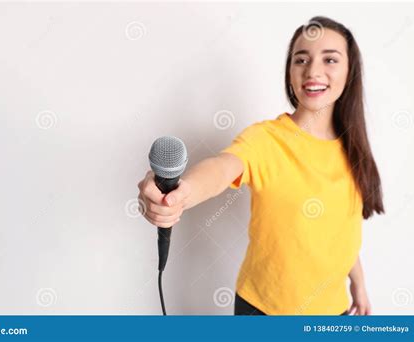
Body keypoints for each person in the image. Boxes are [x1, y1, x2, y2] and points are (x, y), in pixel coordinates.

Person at [137, 16, 384, 315]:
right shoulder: (265, 139)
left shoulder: (353, 148)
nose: (313, 71)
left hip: (336, 313)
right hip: (264, 313)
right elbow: (222, 168)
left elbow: (341, 230)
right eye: (301, 59)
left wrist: (358, 282)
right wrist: (182, 193)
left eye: (330, 59)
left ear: (350, 72)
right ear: (289, 73)